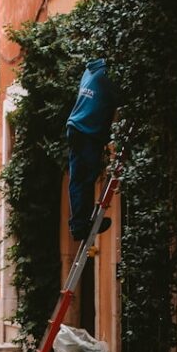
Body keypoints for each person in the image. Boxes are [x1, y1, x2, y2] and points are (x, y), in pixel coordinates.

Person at [66, 58, 117, 241]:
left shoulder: (89, 72)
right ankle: (81, 226)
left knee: (78, 178)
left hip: (75, 127)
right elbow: (120, 97)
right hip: (87, 131)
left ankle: (79, 224)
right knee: (86, 178)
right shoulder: (106, 75)